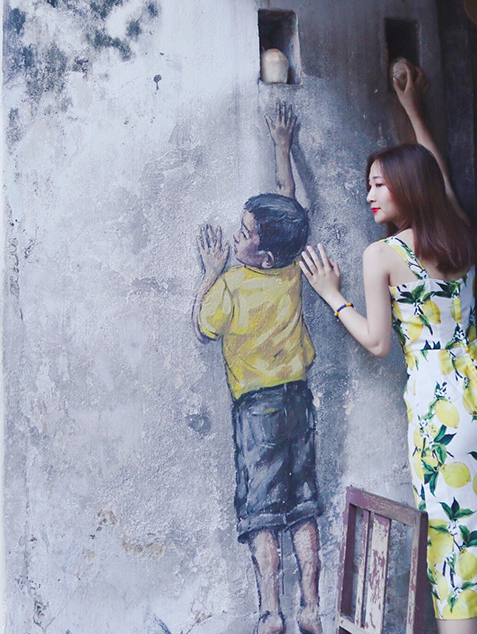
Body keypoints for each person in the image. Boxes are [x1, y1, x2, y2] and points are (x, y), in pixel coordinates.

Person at [299, 61, 477, 633]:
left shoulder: (383, 256)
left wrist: (332, 296)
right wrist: (412, 111)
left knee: (454, 559)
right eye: (368, 183)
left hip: (442, 416)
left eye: (379, 183)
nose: (368, 193)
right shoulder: (457, 235)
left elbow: (378, 343)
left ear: (406, 187)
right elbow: (436, 174)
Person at [193, 102, 323, 634]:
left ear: (262, 254)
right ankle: (312, 606)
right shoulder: (288, 267)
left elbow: (204, 326)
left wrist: (209, 271)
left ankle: (271, 612)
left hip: (256, 410)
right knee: (305, 503)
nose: (238, 233)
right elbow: (288, 206)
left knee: (262, 512)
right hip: (299, 399)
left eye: (245, 232)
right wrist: (281, 146)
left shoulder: (231, 283)